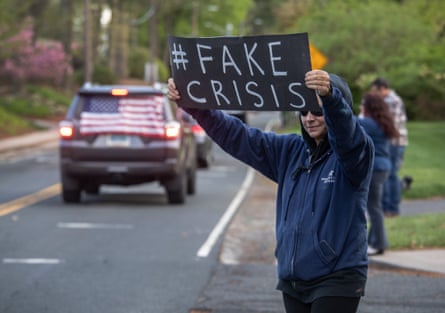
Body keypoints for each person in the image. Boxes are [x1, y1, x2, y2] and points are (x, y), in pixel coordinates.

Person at [168, 69, 374, 313]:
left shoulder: (355, 156)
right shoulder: (290, 151)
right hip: (293, 280)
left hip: (337, 277)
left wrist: (330, 99)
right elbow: (237, 136)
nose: (309, 118)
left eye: (317, 111)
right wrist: (195, 106)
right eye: (304, 111)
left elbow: (347, 135)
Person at [359, 92, 399, 255]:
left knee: (373, 207)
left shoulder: (368, 123)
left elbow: (346, 122)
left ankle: (380, 244)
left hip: (375, 168)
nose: (361, 106)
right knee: (376, 206)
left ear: (369, 106)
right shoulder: (382, 122)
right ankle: (373, 242)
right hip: (384, 167)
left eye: (363, 104)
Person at [371, 78, 409, 217]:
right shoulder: (393, 99)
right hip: (396, 142)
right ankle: (390, 207)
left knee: (390, 175)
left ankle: (391, 208)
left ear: (382, 89)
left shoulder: (391, 101)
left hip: (393, 143)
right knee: (391, 174)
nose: (374, 94)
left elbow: (387, 124)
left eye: (375, 91)